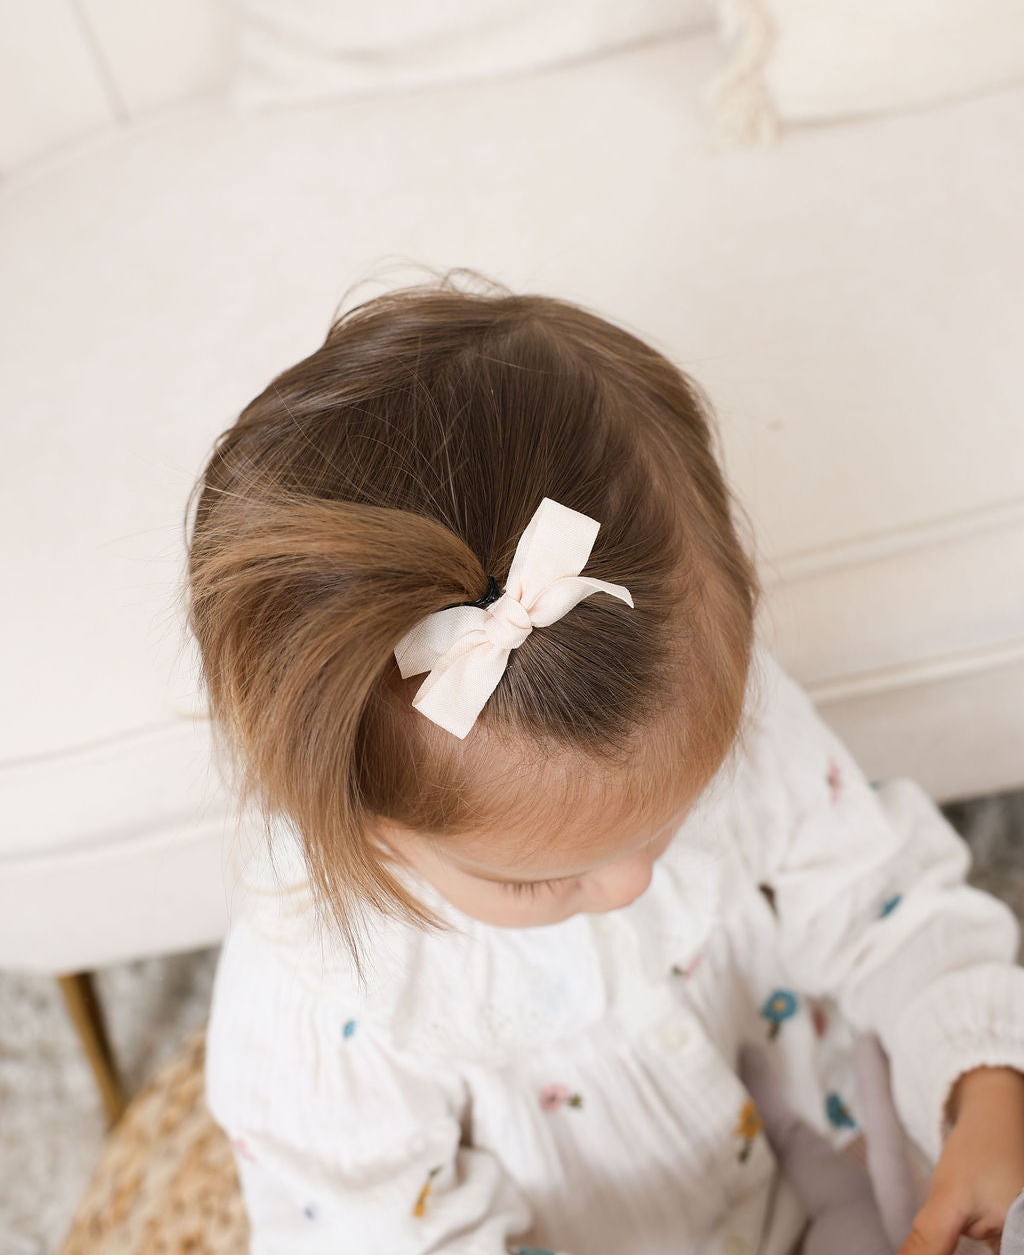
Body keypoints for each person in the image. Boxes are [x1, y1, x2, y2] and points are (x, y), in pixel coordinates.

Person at [185, 270, 1024, 1255]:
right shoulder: (329, 1006)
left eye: (677, 814)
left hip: (813, 1152)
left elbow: (877, 901)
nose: (633, 885)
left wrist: (982, 1093)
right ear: (373, 828)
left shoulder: (701, 700)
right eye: (537, 880)